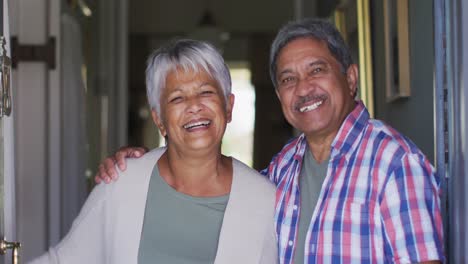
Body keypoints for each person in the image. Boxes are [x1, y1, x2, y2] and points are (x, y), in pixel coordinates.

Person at [96, 19, 444, 263]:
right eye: (288, 78)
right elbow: (216, 193)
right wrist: (139, 166)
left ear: (350, 78)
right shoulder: (285, 164)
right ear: (279, 96)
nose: (304, 88)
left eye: (317, 70)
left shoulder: (394, 163)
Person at [29, 39, 278, 264]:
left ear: (228, 106)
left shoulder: (263, 199)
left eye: (206, 92)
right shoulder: (122, 181)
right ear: (159, 120)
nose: (194, 106)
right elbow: (64, 260)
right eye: (177, 98)